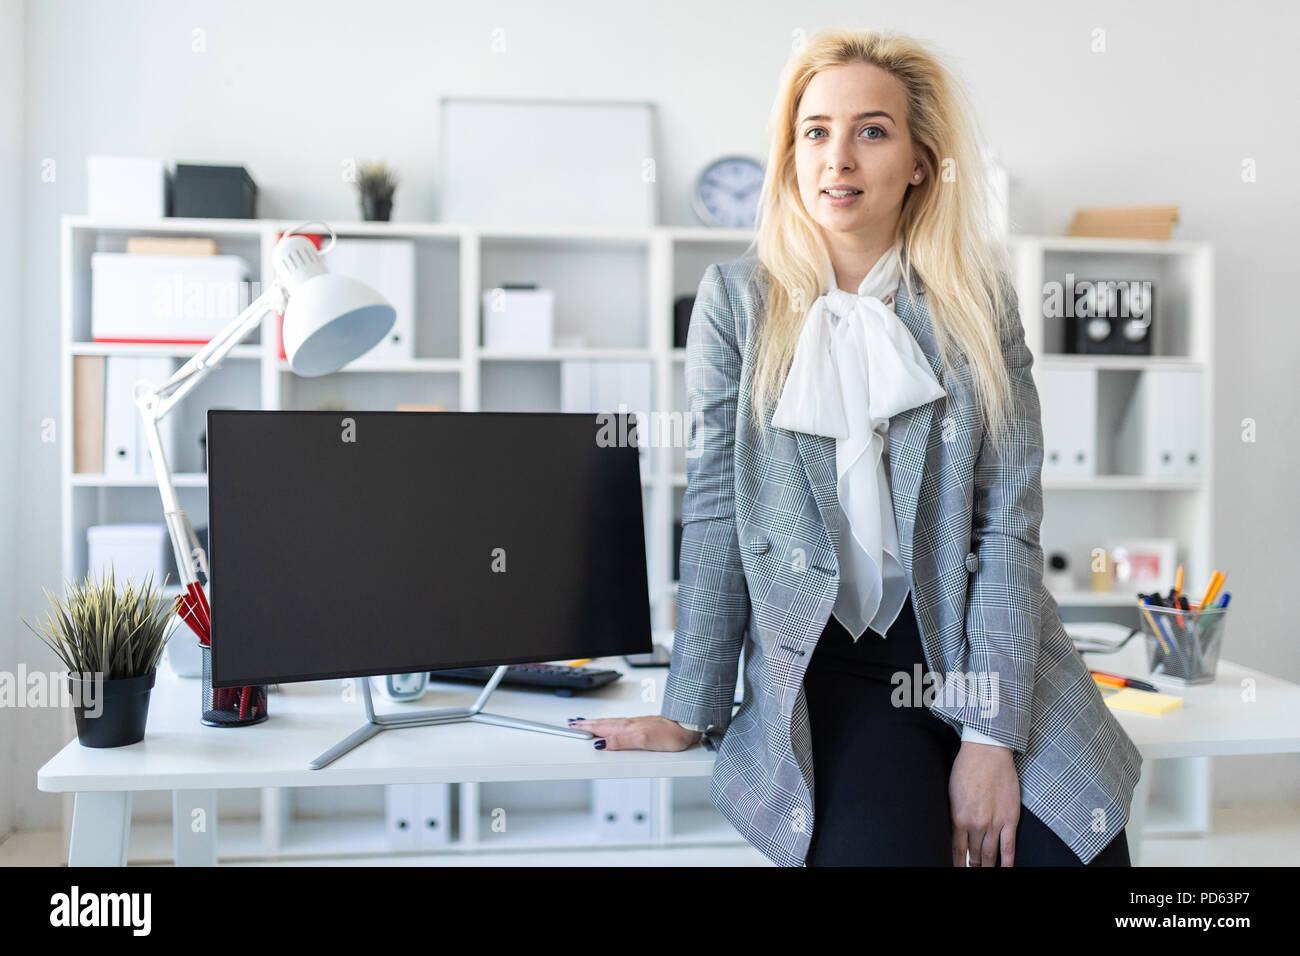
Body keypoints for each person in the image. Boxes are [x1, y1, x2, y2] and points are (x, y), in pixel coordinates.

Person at [569, 27, 1142, 867]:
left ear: (919, 161)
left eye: (871, 131)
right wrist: (687, 706)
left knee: (1071, 849)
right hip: (830, 671)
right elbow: (720, 512)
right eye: (815, 132)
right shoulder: (736, 301)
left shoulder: (978, 301)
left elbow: (1006, 529)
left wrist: (989, 738)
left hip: (975, 652)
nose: (837, 157)